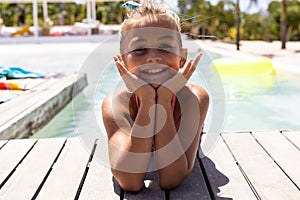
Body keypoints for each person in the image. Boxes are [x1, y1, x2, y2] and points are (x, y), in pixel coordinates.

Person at [102, 1, 209, 192]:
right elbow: (130, 182)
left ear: (182, 59)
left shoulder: (195, 98)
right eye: (139, 49)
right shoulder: (116, 104)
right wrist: (147, 99)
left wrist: (165, 99)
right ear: (124, 61)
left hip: (185, 138)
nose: (152, 57)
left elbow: (170, 179)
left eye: (165, 47)